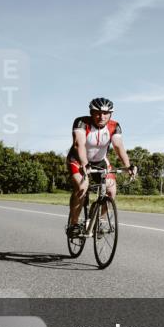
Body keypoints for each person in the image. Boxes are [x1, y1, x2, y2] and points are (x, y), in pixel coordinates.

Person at [66, 97, 137, 237]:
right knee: (81, 187)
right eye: (97, 113)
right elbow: (78, 144)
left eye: (106, 113)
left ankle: (97, 220)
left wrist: (128, 166)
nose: (101, 116)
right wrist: (85, 164)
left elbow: (118, 147)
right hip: (78, 160)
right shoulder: (81, 122)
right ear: (91, 112)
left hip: (100, 162)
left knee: (111, 191)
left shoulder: (114, 126)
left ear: (111, 114)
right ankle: (73, 224)